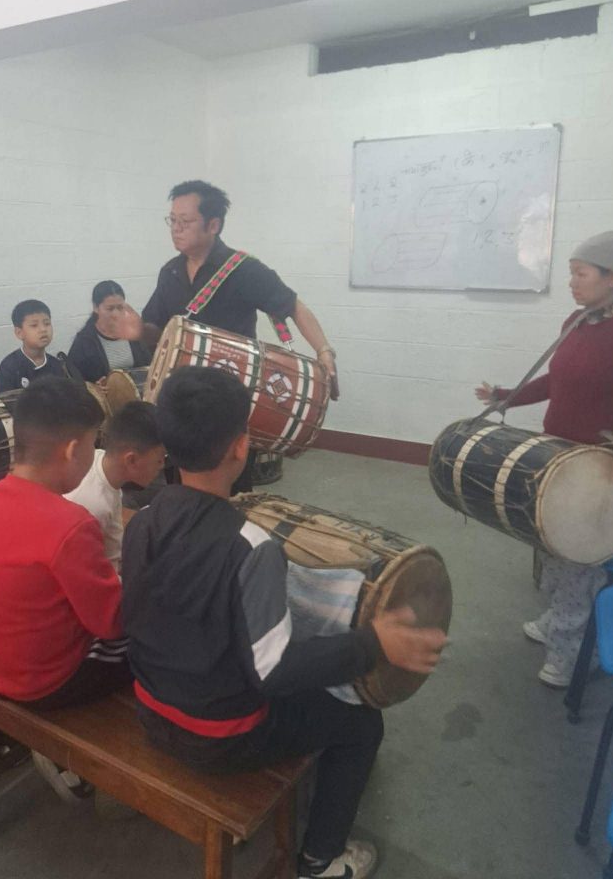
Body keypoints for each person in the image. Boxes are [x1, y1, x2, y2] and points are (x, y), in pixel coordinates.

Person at [122, 366, 447, 879]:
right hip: (219, 737)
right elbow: (274, 672)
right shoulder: (252, 546)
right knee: (362, 724)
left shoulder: (141, 521)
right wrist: (373, 643)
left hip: (149, 707)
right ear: (240, 447)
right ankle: (321, 860)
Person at [0, 377, 130, 802]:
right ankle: (99, 759)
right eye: (93, 444)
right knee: (155, 637)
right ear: (72, 450)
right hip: (43, 684)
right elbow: (113, 622)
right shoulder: (70, 525)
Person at [476, 230, 613, 688]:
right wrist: (506, 396)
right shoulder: (577, 321)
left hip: (599, 468)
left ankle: (574, 651)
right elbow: (555, 381)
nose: (572, 282)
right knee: (551, 546)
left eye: (581, 274)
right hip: (556, 456)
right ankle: (559, 618)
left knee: (580, 559)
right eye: (571, 273)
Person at [139, 181, 339, 398]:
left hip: (230, 392)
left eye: (185, 221)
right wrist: (138, 331)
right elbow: (158, 329)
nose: (176, 228)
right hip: (181, 393)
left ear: (213, 225)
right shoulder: (170, 272)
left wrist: (324, 351)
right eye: (173, 220)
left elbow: (293, 307)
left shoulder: (243, 269)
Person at [64, 401, 165, 573]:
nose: (162, 465)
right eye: (160, 459)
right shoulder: (93, 508)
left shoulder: (100, 458)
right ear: (131, 460)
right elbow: (88, 572)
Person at [66, 280, 151, 385]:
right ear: (96, 308)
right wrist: (93, 388)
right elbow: (74, 380)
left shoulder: (133, 335)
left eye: (120, 308)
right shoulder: (85, 342)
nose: (116, 314)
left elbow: (149, 366)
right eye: (110, 309)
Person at [0, 299, 66, 393]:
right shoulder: (9, 367)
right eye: (34, 325)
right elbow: (4, 401)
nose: (43, 329)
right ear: (19, 333)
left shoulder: (57, 365)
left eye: (47, 323)